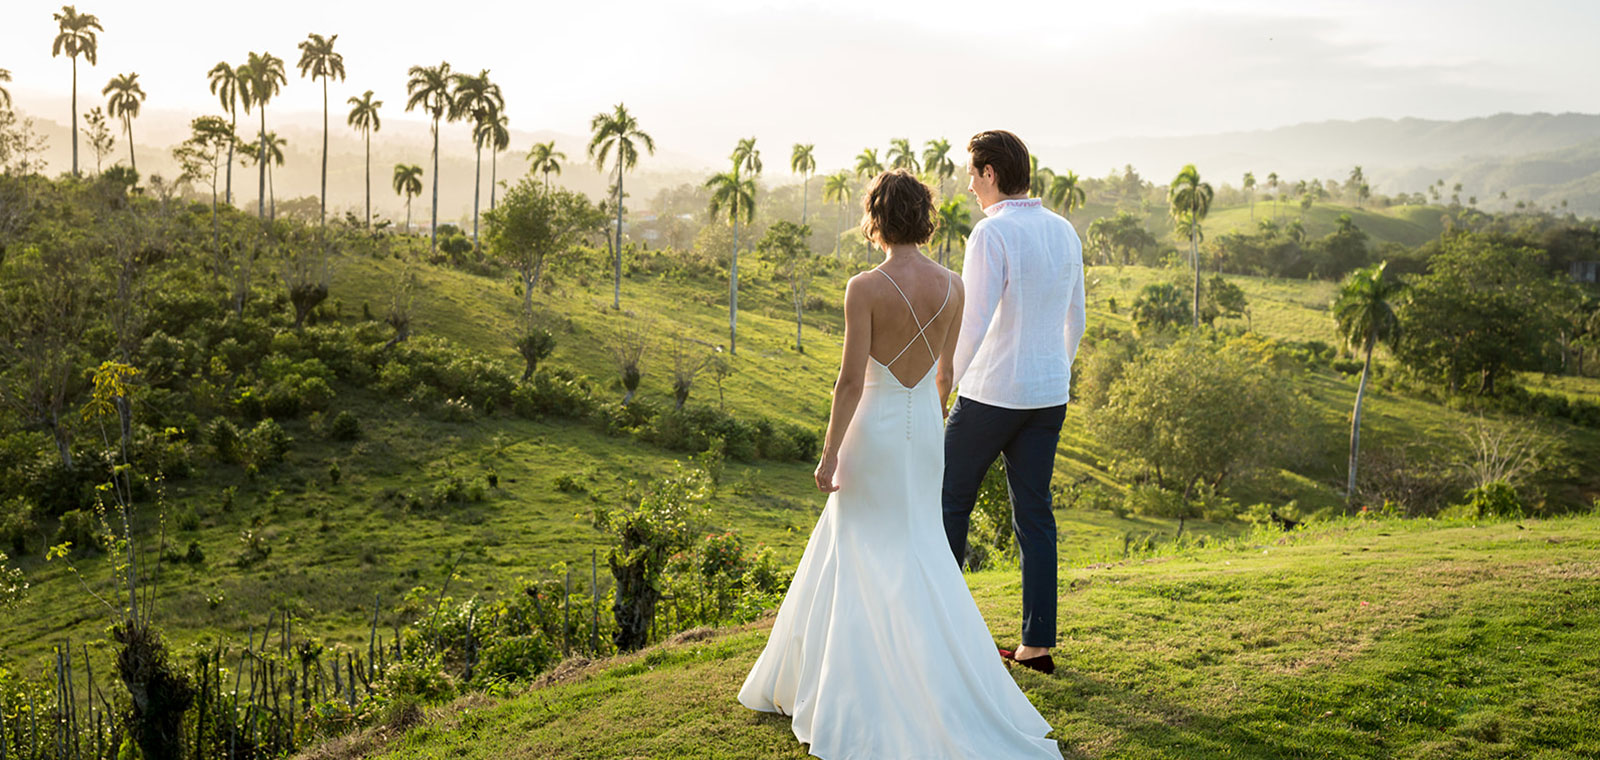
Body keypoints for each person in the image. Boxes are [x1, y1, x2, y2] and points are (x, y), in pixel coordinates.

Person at [738, 169, 1062, 759]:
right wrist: (929, 427)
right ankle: (927, 672)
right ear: (925, 218)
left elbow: (847, 382)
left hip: (874, 432)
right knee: (918, 547)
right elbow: (945, 375)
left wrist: (830, 450)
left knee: (861, 548)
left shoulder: (864, 286)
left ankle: (850, 683)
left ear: (876, 220)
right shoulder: (953, 288)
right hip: (924, 435)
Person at [942, 130, 1087, 676]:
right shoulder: (1064, 230)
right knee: (1035, 513)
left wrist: (944, 385)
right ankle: (1037, 645)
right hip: (1048, 395)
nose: (969, 185)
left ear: (991, 174)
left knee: (947, 501)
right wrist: (1054, 371)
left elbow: (973, 321)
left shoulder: (990, 233)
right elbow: (1078, 316)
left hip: (991, 393)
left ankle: (947, 634)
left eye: (973, 174)